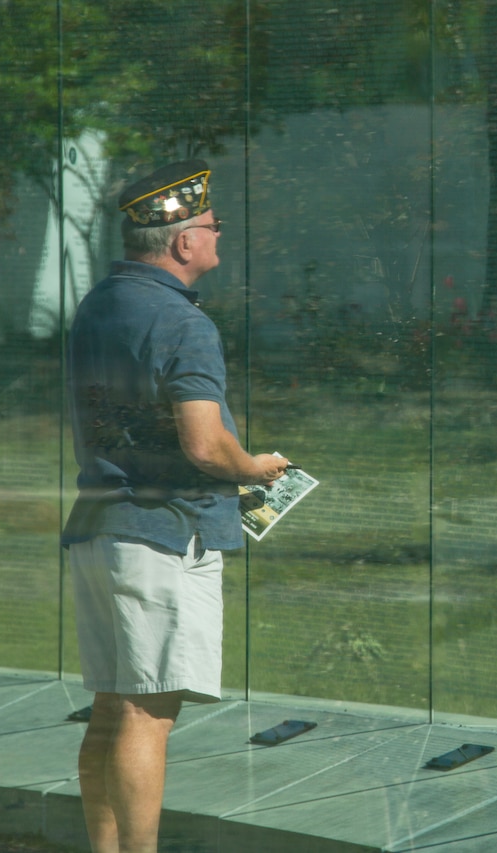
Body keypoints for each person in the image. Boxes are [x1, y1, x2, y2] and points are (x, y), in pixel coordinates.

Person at [62, 159, 291, 853]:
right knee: (146, 713)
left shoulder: (101, 301)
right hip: (165, 535)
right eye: (213, 226)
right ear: (183, 242)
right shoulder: (184, 323)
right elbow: (203, 443)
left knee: (109, 710)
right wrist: (255, 466)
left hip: (101, 526)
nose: (220, 235)